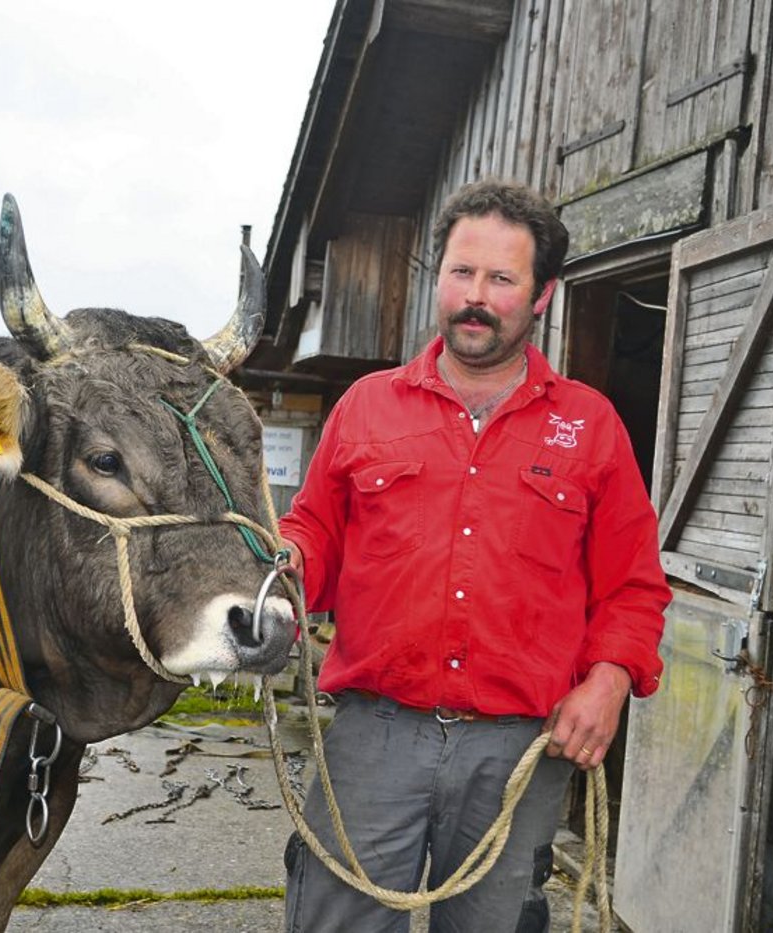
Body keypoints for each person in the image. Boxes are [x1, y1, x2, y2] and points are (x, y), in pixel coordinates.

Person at [278, 178, 671, 933]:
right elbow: (313, 534)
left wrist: (611, 678)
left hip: (518, 748)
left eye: (501, 278)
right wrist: (283, 566)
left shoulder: (590, 425)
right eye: (461, 273)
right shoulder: (367, 404)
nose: (475, 297)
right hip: (374, 736)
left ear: (543, 294)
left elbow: (633, 584)